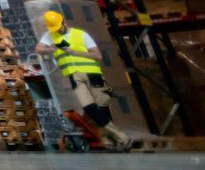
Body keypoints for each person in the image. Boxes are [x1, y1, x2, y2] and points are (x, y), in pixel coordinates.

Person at [35, 10, 132, 151]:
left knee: (102, 107)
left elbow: (98, 55)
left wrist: (74, 52)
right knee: (89, 108)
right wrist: (52, 48)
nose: (57, 31)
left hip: (92, 74)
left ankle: (109, 140)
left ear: (63, 22)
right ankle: (121, 136)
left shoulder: (81, 34)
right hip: (74, 76)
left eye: (58, 27)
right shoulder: (51, 35)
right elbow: (38, 48)